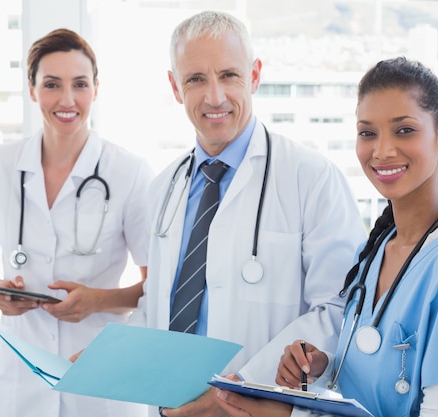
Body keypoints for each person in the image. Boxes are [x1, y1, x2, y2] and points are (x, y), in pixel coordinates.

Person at [214, 57, 438, 417]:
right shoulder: (379, 248)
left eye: (404, 130)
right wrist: (323, 366)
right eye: (368, 132)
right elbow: (371, 383)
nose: (382, 150)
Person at [127, 10, 366, 417]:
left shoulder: (310, 177)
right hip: (170, 407)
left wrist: (235, 390)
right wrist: (112, 356)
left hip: (255, 406)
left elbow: (339, 308)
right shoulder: (164, 187)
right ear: (174, 86)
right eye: (195, 79)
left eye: (229, 75)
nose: (214, 96)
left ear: (254, 75)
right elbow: (158, 305)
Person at [0, 28, 153, 417]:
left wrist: (97, 300)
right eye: (52, 84)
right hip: (19, 381)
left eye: (80, 84)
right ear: (32, 90)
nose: (67, 100)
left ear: (96, 89)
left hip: (98, 379)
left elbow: (158, 285)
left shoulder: (129, 172)